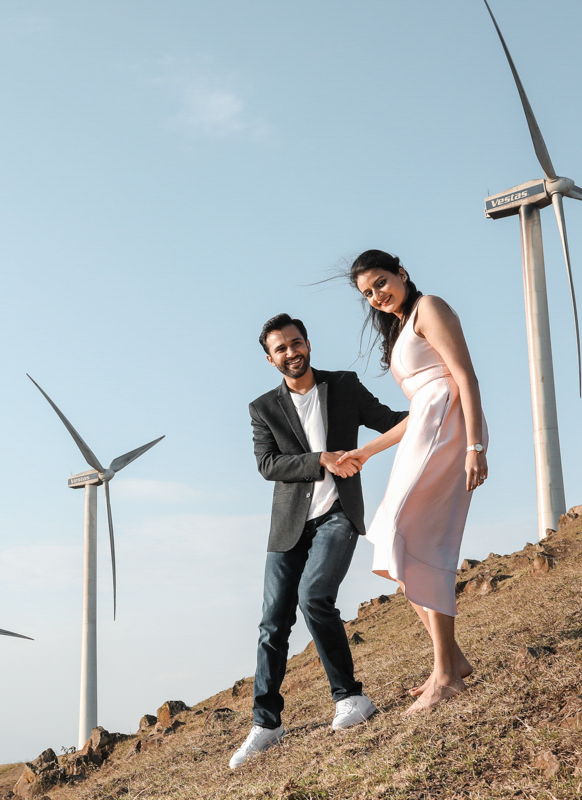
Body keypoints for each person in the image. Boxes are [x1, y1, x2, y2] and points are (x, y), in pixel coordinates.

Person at [229, 313, 408, 769]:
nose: (292, 353)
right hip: (288, 526)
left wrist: (435, 405)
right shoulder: (262, 408)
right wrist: (320, 459)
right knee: (272, 624)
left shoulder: (343, 386)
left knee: (314, 597)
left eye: (296, 343)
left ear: (308, 343)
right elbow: (268, 464)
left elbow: (388, 420)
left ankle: (351, 698)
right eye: (281, 349)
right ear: (270, 360)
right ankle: (266, 724)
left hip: (337, 516)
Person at [337, 249, 488, 715]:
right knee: (389, 534)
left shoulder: (430, 308)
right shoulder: (402, 327)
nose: (377, 296)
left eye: (381, 283)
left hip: (448, 429)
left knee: (409, 535)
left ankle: (447, 674)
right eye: (368, 293)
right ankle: (450, 660)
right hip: (426, 426)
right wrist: (366, 450)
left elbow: (463, 376)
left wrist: (476, 446)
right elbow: (420, 404)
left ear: (401, 274)